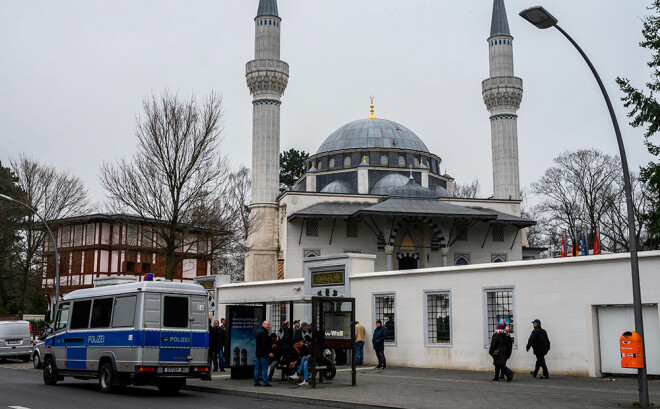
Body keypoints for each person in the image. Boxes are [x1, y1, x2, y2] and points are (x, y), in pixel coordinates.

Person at [254, 321, 273, 387]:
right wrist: (269, 352)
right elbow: (264, 344)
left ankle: (256, 381)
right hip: (263, 353)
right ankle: (265, 382)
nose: (269, 326)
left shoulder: (258, 331)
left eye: (269, 325)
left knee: (257, 368)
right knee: (264, 368)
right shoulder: (264, 333)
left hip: (258, 353)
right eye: (268, 324)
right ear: (264, 325)